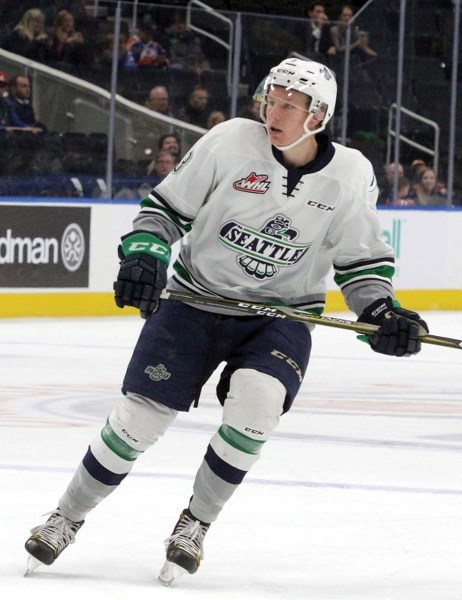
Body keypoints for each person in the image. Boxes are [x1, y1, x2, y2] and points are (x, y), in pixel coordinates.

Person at [24, 57, 429, 585]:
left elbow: (361, 263)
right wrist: (145, 254)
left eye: (289, 103)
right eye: (271, 97)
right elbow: (164, 212)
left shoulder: (350, 174)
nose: (273, 110)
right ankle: (66, 516)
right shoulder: (230, 141)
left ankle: (195, 523)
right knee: (136, 423)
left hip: (278, 319)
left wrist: (382, 311)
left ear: (319, 115)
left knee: (257, 405)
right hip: (194, 302)